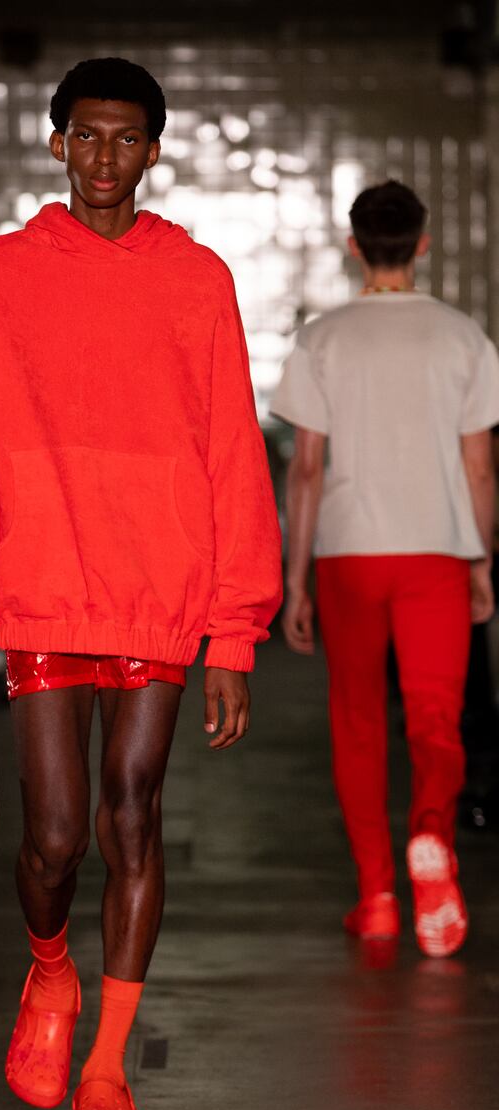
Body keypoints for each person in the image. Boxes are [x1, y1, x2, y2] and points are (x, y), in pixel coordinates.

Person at [0, 57, 281, 1110]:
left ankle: (108, 1070)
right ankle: (47, 972)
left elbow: (228, 453)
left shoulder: (197, 278)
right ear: (57, 144)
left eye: (127, 137)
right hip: (38, 586)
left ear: (154, 150)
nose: (105, 154)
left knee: (131, 813)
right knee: (54, 837)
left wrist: (232, 630)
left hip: (157, 590)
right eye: (86, 135)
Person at [272, 179, 499, 959]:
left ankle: (375, 898)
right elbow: (480, 468)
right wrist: (479, 559)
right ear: (424, 244)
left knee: (359, 722)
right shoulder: (464, 336)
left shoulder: (322, 339)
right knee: (436, 719)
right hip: (437, 546)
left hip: (349, 554)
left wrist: (295, 579)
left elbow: (305, 471)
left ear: (354, 245)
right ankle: (431, 835)